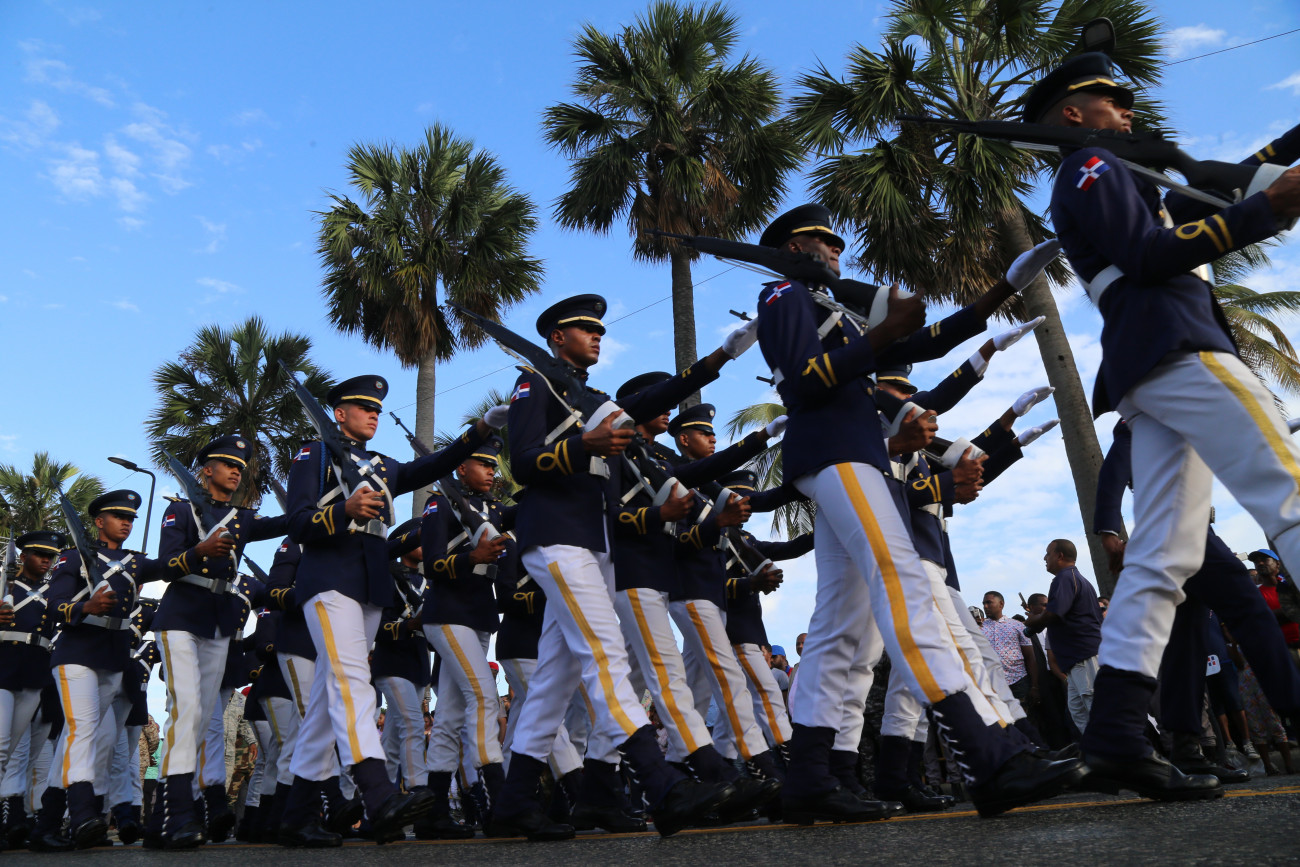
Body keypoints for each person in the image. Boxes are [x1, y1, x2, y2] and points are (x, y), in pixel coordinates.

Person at [754, 203, 1082, 822]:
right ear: (795, 248)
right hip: (834, 452)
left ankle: (811, 778)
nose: (836, 251)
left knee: (840, 627)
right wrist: (878, 338)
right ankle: (988, 759)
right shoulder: (782, 295)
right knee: (901, 581)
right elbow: (802, 382)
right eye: (825, 242)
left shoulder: (832, 307)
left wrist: (1003, 289)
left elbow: (925, 343)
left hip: (852, 455)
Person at [1030, 49, 1300, 796]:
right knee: (1287, 489)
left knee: (1161, 556)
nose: (1128, 110)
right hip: (1178, 347)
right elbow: (1152, 255)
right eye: (1111, 100)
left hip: (1149, 363)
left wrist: (1279, 163)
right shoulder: (1091, 166)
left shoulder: (1121, 175)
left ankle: (1117, 731)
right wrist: (1266, 211)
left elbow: (1227, 183)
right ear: (1074, 114)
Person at [491, 293, 760, 841]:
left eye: (599, 329)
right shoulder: (534, 384)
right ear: (557, 337)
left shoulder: (591, 397)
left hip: (594, 543)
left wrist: (720, 357)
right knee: (605, 653)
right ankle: (662, 785)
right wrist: (581, 444)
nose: (597, 335)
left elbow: (654, 400)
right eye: (584, 329)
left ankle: (514, 802)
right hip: (556, 537)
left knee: (553, 683)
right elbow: (522, 462)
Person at [280, 374, 498, 847]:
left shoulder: (382, 465)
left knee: (327, 703)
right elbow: (297, 522)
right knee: (351, 682)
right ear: (339, 414)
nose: (374, 414)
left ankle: (296, 814)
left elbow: (433, 465)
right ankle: (378, 794)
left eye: (378, 409)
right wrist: (343, 511)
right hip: (329, 578)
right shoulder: (314, 455)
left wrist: (479, 431)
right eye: (365, 408)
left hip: (369, 584)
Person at [148, 435, 285, 849]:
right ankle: (177, 814)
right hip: (180, 616)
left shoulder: (242, 519)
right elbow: (166, 565)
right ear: (206, 470)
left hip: (218, 622)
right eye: (228, 465)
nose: (236, 472)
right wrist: (200, 551)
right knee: (187, 710)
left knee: (202, 714)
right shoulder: (180, 509)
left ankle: (169, 817)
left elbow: (286, 524)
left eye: (240, 467)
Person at [34, 490, 161, 851]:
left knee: (78, 741)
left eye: (131, 518)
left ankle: (46, 826)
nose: (127, 523)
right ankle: (83, 816)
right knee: (83, 731)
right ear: (99, 521)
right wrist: (85, 607)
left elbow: (171, 566)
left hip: (113, 657)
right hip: (76, 652)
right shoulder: (73, 558)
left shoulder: (135, 563)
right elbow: (53, 605)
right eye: (119, 516)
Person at [419, 438, 512, 837]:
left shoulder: (494, 510)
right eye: (483, 464)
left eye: (494, 465)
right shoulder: (439, 504)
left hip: (479, 615)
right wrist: (471, 556)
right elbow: (432, 565)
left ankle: (434, 812)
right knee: (485, 697)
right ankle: (499, 803)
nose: (492, 470)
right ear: (461, 468)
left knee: (449, 717)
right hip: (449, 613)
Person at [0, 530, 64, 847]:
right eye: (40, 554)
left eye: (50, 556)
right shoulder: (6, 585)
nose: (46, 560)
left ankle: (11, 818)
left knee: (13, 750)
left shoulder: (55, 593)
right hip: (4, 665)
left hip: (35, 670)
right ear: (23, 556)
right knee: (1, 746)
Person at [1024, 540, 1101, 736]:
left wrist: (1033, 620)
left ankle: (1120, 753)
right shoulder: (1072, 578)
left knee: (1096, 711)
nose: (1045, 558)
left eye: (1048, 553)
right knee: (1079, 713)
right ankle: (1100, 751)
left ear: (1059, 555)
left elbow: (1054, 613)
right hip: (1075, 661)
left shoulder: (1065, 577)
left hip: (1083, 656)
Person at [981, 592, 1040, 717]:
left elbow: (1030, 657)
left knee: (1024, 719)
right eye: (984, 603)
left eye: (989, 603)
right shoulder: (980, 628)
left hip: (1018, 681)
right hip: (992, 685)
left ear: (1001, 604)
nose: (985, 606)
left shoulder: (1017, 625)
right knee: (1002, 721)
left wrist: (1034, 686)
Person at [1249, 550, 1300, 667]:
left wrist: (1275, 614)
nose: (1260, 563)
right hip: (1285, 651)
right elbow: (1261, 621)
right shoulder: (1256, 595)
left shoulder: (1294, 584)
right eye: (1256, 562)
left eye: (1264, 559)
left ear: (1277, 563)